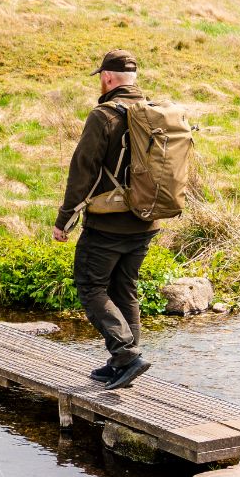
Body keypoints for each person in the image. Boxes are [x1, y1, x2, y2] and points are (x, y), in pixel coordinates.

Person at [54, 50, 156, 388]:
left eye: (101, 77)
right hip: (147, 220)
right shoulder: (154, 111)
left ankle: (126, 355)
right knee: (125, 288)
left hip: (108, 223)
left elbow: (82, 171)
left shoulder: (104, 115)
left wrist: (64, 219)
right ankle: (122, 363)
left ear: (108, 78)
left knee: (90, 285)